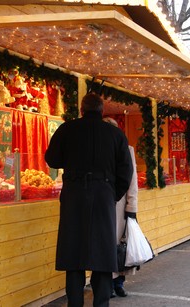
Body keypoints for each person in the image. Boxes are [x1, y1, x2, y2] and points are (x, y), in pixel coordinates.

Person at [45, 93, 133, 307]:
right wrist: (113, 194)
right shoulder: (115, 134)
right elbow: (126, 171)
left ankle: (75, 304)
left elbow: (52, 159)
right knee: (102, 255)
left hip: (74, 194)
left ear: (82, 110)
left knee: (73, 255)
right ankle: (101, 304)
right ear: (102, 111)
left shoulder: (67, 129)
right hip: (103, 195)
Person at [102, 117, 138, 298]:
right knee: (104, 244)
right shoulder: (100, 150)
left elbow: (132, 181)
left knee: (120, 245)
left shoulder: (127, 150)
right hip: (104, 204)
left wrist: (132, 206)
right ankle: (106, 284)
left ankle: (118, 282)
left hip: (120, 205)